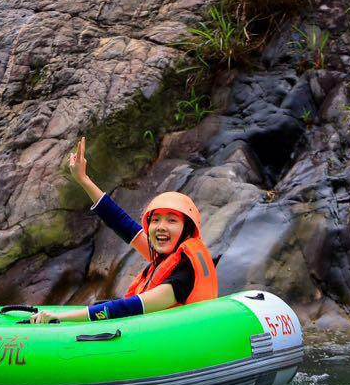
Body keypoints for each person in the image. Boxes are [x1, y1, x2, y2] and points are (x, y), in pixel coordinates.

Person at [30, 137, 217, 324]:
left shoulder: (184, 275)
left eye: (171, 220)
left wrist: (61, 318)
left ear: (187, 229)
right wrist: (83, 179)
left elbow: (130, 308)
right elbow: (121, 223)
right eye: (156, 220)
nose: (161, 227)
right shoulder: (167, 257)